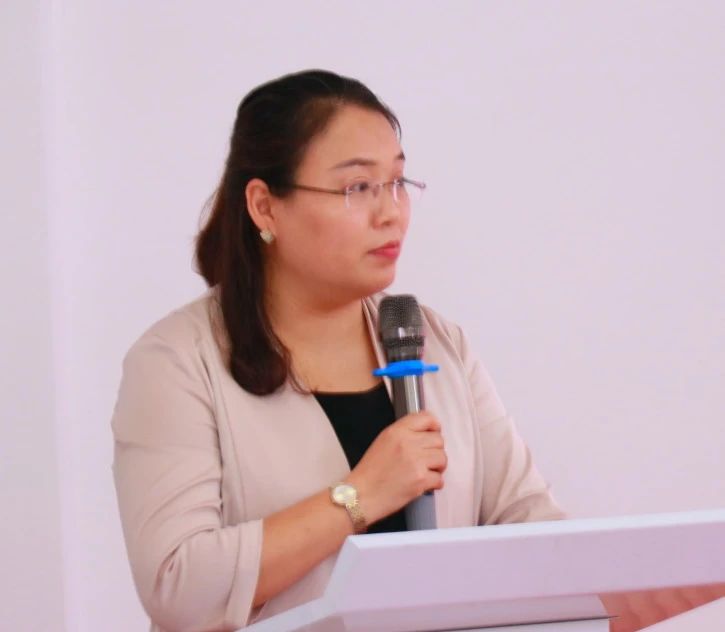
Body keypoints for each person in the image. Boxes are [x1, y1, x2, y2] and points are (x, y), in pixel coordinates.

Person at [111, 69, 565, 632]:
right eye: (357, 188)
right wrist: (360, 495)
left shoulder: (438, 341)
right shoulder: (176, 362)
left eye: (397, 182)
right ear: (264, 207)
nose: (390, 212)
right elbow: (177, 587)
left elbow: (527, 520)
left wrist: (616, 577)